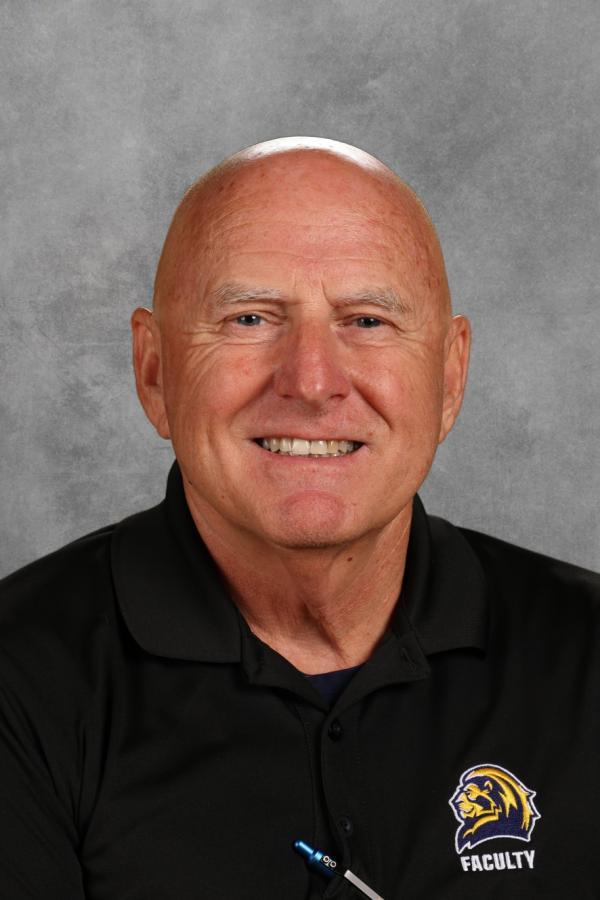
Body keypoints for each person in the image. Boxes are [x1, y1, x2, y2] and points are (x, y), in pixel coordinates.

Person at [0, 137, 598, 900]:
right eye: (249, 318)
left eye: (368, 321)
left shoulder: (587, 657)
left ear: (450, 377)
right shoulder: (18, 685)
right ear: (154, 372)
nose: (312, 382)